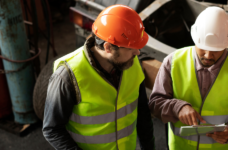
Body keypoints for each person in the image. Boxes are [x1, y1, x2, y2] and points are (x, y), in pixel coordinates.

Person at [149, 7, 228, 150]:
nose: (208, 55)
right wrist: (178, 108)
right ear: (195, 38)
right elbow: (155, 104)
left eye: (215, 49)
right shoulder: (173, 62)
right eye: (203, 47)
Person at [43, 4, 155, 150]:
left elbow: (143, 115)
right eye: (130, 48)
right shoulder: (68, 76)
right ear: (108, 47)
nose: (137, 53)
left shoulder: (131, 64)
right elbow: (52, 129)